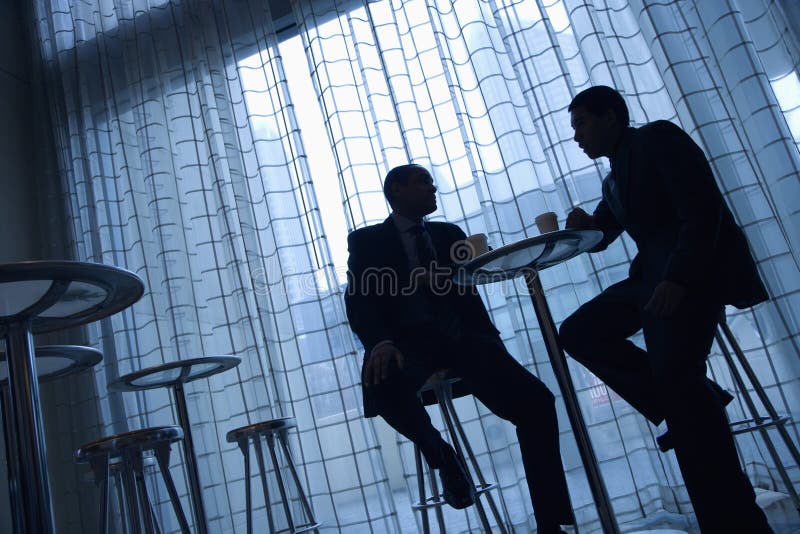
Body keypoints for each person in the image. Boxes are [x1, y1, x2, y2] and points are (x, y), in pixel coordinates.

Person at [559, 86, 772, 533]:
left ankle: (734, 521)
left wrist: (679, 278)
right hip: (649, 278)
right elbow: (605, 234)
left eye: (581, 123)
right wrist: (586, 227)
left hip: (689, 273)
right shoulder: (613, 179)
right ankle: (692, 399)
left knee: (682, 395)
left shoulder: (656, 139)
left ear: (612, 116)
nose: (576, 136)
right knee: (578, 332)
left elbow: (701, 209)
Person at [345, 164, 574, 533]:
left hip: (464, 337)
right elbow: (358, 298)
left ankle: (551, 524)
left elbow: (476, 277)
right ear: (396, 192)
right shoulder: (367, 240)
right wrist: (380, 343)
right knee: (380, 381)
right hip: (408, 342)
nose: (433, 188)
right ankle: (444, 458)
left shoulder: (449, 233)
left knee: (537, 404)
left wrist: (445, 277)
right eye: (423, 182)